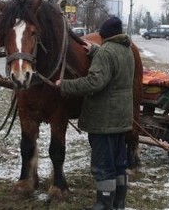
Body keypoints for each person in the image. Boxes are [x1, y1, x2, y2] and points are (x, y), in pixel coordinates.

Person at [55, 16, 134, 210]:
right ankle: (118, 203)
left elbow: (94, 82)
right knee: (118, 164)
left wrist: (65, 85)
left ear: (105, 34)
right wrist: (95, 51)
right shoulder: (126, 50)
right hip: (121, 118)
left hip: (104, 120)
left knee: (103, 166)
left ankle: (103, 205)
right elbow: (112, 63)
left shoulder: (106, 53)